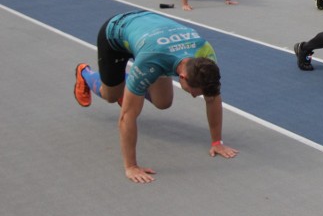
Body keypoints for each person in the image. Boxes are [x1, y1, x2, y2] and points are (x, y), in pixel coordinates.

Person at [73, 11, 239, 183]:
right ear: (182, 77)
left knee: (163, 102)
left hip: (152, 38)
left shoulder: (205, 54)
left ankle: (131, 88)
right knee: (111, 95)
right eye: (194, 91)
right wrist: (131, 167)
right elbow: (126, 117)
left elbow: (212, 98)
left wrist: (216, 142)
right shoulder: (152, 61)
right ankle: (84, 73)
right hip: (115, 38)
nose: (195, 96)